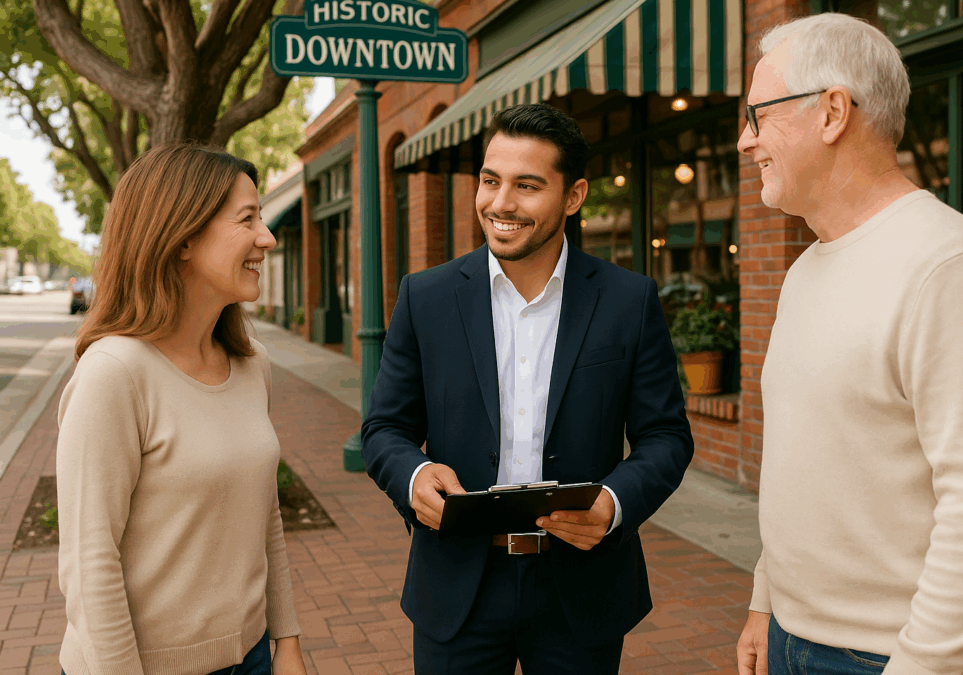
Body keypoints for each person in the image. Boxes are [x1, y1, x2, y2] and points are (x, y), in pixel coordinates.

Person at [734, 12, 963, 675]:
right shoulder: (805, 269)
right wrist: (766, 597)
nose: (743, 141)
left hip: (892, 656)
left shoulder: (950, 264)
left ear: (833, 111)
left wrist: (921, 664)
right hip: (792, 635)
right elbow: (804, 459)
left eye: (757, 116)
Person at [360, 103, 695, 674]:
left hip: (582, 587)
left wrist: (612, 504)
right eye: (490, 181)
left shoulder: (628, 300)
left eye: (527, 185)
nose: (500, 204)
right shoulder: (426, 297)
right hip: (456, 588)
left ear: (574, 195)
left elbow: (665, 436)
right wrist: (412, 476)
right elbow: (383, 428)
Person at [56, 144, 306, 675]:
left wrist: (286, 641)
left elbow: (265, 517)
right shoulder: (113, 374)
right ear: (184, 237)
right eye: (247, 219)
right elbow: (90, 563)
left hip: (253, 656)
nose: (267, 237)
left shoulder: (251, 363)